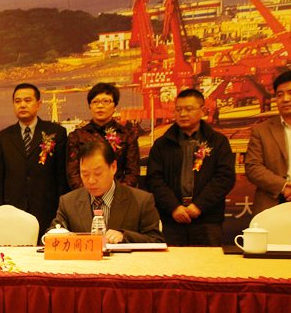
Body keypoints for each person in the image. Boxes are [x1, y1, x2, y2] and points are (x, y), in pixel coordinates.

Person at [146, 89, 236, 246]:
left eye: (189, 109)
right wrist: (174, 207)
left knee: (208, 261)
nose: (183, 114)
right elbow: (154, 179)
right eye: (178, 109)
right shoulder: (162, 144)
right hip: (171, 219)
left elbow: (225, 177)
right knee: (171, 261)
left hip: (207, 218)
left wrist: (200, 205)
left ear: (202, 110)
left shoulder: (218, 141)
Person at [0, 83, 69, 241]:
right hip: (12, 209)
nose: (22, 105)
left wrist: (62, 210)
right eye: (17, 101)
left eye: (27, 100)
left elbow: (61, 176)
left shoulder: (56, 133)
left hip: (47, 207)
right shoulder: (3, 137)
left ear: (38, 104)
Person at [51, 139, 164, 244]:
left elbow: (156, 240)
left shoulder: (141, 201)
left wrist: (124, 237)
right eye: (85, 174)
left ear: (113, 167)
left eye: (98, 173)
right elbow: (51, 235)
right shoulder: (68, 202)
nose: (91, 181)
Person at [245, 69, 291, 213]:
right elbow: (253, 167)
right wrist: (284, 187)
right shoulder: (261, 130)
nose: (285, 99)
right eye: (280, 95)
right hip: (274, 200)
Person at [66, 82, 140, 189]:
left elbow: (132, 173)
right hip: (87, 194)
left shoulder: (127, 136)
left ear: (115, 106)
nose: (100, 106)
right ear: (90, 106)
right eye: (95, 102)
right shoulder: (77, 136)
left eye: (106, 101)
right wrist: (89, 194)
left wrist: (114, 194)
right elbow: (73, 174)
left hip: (119, 194)